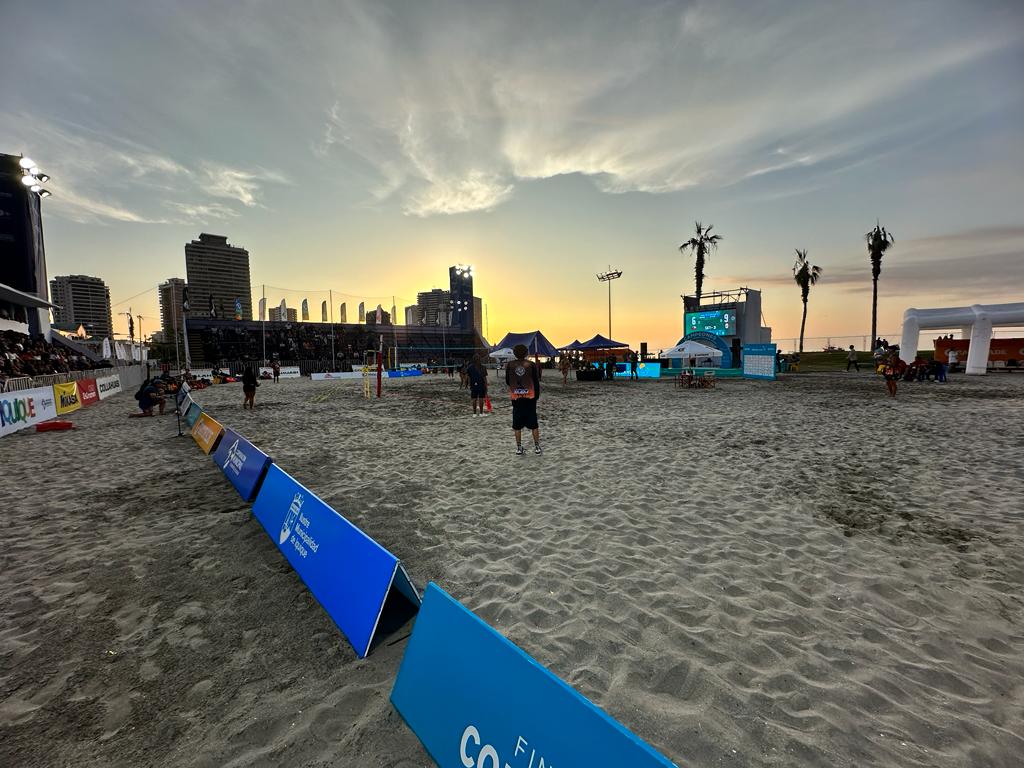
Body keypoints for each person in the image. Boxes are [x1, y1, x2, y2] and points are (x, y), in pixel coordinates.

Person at [506, 344, 541, 455]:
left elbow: (507, 381)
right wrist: (536, 396)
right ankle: (537, 447)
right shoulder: (531, 365)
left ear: (514, 353)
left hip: (516, 397)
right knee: (533, 423)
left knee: (517, 425)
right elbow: (536, 381)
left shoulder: (510, 365)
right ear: (526, 353)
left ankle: (519, 448)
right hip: (530, 397)